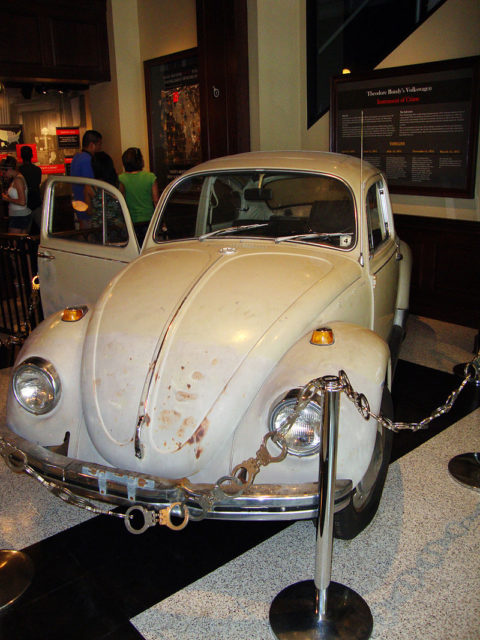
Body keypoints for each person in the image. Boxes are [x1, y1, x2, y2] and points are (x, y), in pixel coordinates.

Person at [118, 147, 159, 245]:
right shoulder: (150, 177)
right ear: (139, 161)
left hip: (130, 221)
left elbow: (120, 200)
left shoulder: (121, 178)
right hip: (148, 219)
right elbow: (156, 200)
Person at [85, 151, 127, 244]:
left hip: (98, 230)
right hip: (118, 228)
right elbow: (123, 208)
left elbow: (89, 211)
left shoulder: (90, 187)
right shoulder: (119, 186)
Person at [70, 129, 102, 228]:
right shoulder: (87, 160)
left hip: (78, 204)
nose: (100, 148)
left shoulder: (76, 158)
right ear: (92, 145)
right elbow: (91, 185)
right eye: (99, 144)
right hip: (87, 207)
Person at [1, 156, 31, 234]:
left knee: (14, 242)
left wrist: (6, 198)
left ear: (10, 169)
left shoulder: (18, 179)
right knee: (21, 242)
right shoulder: (17, 178)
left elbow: (22, 202)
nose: (4, 175)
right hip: (19, 215)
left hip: (19, 216)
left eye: (4, 172)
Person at [19, 145, 42, 232]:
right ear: (32, 155)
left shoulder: (19, 171)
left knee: (24, 232)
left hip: (25, 205)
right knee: (42, 230)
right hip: (36, 202)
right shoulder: (37, 170)